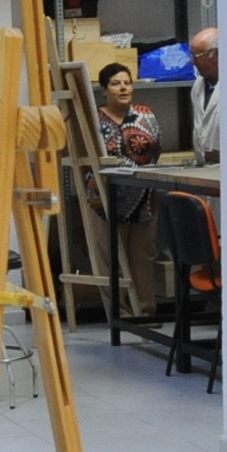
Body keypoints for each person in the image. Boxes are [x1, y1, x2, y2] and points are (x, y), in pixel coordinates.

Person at [90, 63, 162, 314]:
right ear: (104, 90)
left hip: (145, 198)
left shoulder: (146, 114)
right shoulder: (94, 120)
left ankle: (145, 312)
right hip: (106, 200)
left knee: (144, 258)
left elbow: (157, 149)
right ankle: (118, 316)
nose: (123, 88)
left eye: (127, 82)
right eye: (116, 83)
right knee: (110, 261)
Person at [187, 26, 220, 163]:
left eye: (198, 56)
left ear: (216, 54)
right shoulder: (198, 85)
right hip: (204, 167)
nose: (193, 62)